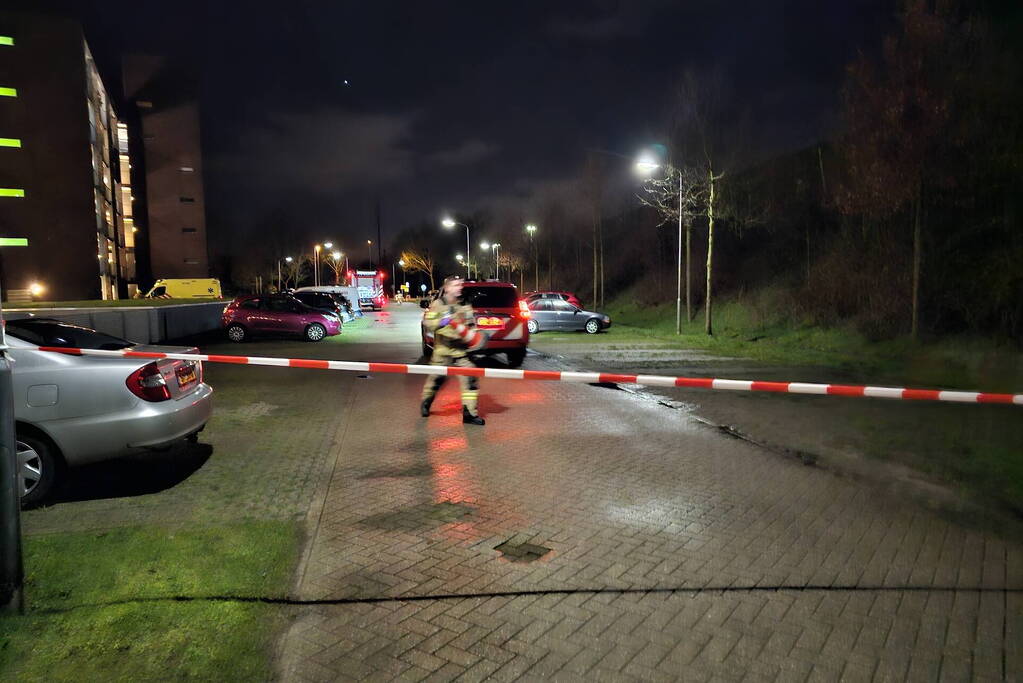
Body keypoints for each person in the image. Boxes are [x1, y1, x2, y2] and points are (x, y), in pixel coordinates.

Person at [421, 275, 486, 425]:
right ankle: (426, 402)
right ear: (448, 287)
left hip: (461, 352)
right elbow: (429, 322)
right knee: (436, 379)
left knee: (470, 379)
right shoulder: (438, 304)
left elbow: (471, 327)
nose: (460, 288)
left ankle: (469, 413)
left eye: (461, 285)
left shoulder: (464, 305)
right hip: (442, 351)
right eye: (456, 285)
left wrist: (476, 337)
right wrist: (442, 322)